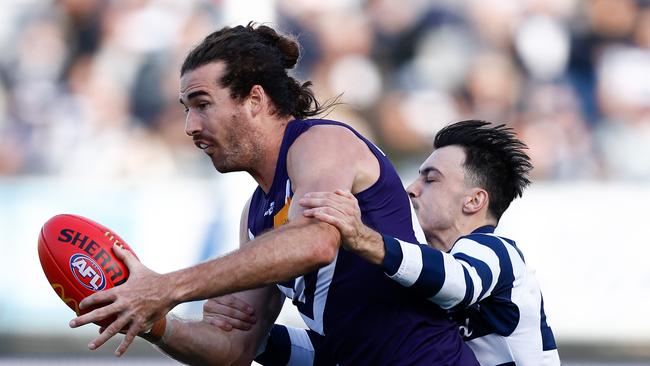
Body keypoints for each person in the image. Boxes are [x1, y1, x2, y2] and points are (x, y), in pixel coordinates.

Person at [69, 23, 478, 365]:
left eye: (202, 104)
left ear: (255, 99)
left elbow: (315, 241)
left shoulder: (321, 142)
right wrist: (151, 321)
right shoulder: (256, 214)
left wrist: (169, 287)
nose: (190, 126)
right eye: (185, 108)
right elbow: (234, 350)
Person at [213, 121, 561, 365]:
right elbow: (336, 353)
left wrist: (363, 237)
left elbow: (460, 283)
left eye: (431, 178)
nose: (412, 188)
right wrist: (256, 338)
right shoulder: (420, 275)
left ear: (474, 201)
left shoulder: (498, 253)